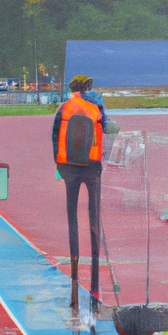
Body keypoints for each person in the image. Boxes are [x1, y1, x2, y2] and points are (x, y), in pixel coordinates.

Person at [52, 74, 119, 312]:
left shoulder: (64, 108)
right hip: (92, 169)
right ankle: (95, 287)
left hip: (69, 167)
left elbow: (55, 139)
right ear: (88, 87)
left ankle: (73, 289)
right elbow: (111, 130)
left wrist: (59, 167)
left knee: (72, 220)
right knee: (94, 222)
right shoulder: (97, 106)